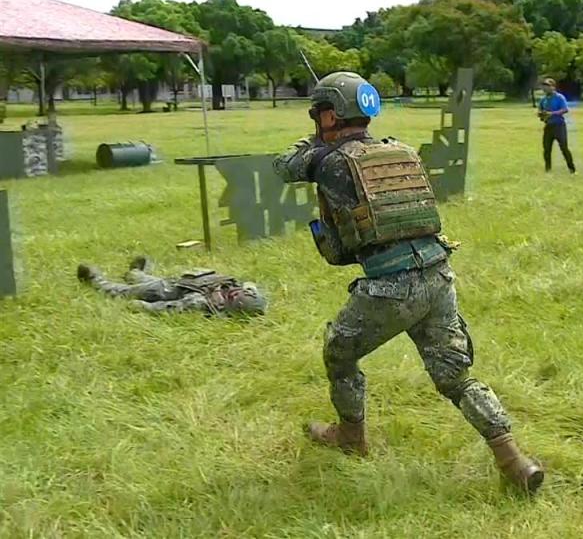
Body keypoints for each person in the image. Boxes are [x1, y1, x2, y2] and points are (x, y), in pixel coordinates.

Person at [274, 72, 544, 493]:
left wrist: (314, 140)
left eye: (319, 114)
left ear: (329, 116)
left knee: (339, 355)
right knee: (455, 377)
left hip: (390, 285)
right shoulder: (399, 150)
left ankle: (351, 435)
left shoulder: (328, 161)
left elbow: (283, 167)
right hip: (438, 275)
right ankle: (514, 460)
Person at [77, 256, 266, 316]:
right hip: (172, 282)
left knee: (124, 292)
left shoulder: (202, 302)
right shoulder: (230, 288)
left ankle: (96, 280)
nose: (237, 289)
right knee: (143, 279)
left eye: (238, 294)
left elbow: (171, 307)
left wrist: (144, 307)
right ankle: (135, 273)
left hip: (162, 291)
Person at [538, 78, 576, 174]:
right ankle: (548, 169)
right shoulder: (543, 100)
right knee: (547, 149)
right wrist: (541, 114)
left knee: (564, 147)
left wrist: (552, 113)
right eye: (544, 86)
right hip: (548, 126)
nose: (545, 88)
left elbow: (565, 109)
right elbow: (540, 111)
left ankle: (572, 169)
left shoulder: (559, 97)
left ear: (553, 87)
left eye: (547, 86)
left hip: (559, 126)